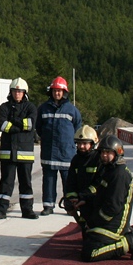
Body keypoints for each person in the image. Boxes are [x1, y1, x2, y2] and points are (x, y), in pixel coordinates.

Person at [73, 135, 133, 262]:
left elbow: (112, 207)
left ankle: (127, 243)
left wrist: (93, 222)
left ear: (117, 153)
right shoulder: (109, 170)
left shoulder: (120, 174)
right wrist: (84, 200)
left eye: (108, 152)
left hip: (114, 224)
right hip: (107, 220)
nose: (104, 155)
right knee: (87, 240)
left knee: (89, 253)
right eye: (102, 152)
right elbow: (101, 195)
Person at [0, 78, 37, 221]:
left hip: (25, 154)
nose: (17, 94)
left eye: (20, 91)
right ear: (11, 92)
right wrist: (21, 124)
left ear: (24, 93)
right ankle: (0, 211)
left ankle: (27, 210)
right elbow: (4, 126)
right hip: (8, 153)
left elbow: (30, 125)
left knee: (26, 183)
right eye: (15, 91)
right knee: (6, 183)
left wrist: (14, 121)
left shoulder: (31, 107)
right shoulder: (4, 107)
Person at [35, 76, 82, 215]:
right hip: (49, 152)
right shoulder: (43, 108)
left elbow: (77, 128)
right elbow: (39, 128)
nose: (57, 93)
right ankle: (48, 206)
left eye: (59, 91)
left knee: (69, 183)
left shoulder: (72, 110)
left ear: (64, 92)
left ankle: (70, 206)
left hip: (66, 153)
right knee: (48, 181)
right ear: (51, 92)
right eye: (55, 90)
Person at [62, 124, 101, 233]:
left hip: (96, 202)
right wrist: (71, 198)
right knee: (86, 234)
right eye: (79, 143)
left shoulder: (98, 159)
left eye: (85, 143)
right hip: (82, 201)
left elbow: (99, 184)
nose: (81, 146)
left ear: (93, 143)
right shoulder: (76, 160)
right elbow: (70, 182)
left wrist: (82, 196)